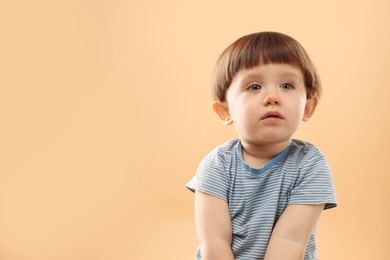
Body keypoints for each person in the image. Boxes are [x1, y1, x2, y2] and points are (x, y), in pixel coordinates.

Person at [186, 31, 337, 260]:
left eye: (286, 85)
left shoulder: (309, 165)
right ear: (225, 111)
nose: (272, 97)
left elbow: (289, 241)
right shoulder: (216, 165)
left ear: (308, 107)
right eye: (254, 87)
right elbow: (214, 242)